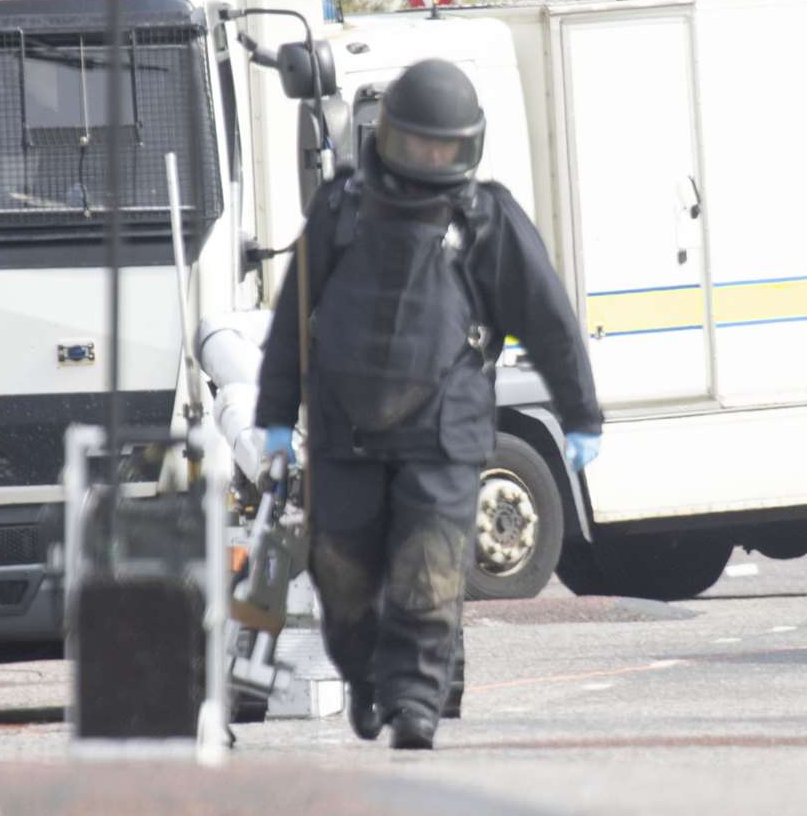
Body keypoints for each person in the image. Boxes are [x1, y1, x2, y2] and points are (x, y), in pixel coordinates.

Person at [255, 58, 602, 750]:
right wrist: (272, 412)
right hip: (344, 429)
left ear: (467, 146)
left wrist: (580, 413)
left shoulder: (486, 217)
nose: (428, 158)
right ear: (388, 137)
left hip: (445, 431)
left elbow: (550, 321)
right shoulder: (339, 208)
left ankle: (415, 704)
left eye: (442, 147)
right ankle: (364, 679)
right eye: (416, 143)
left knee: (428, 571)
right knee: (342, 577)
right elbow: (294, 318)